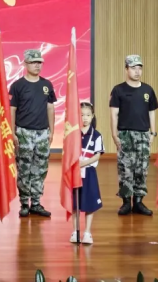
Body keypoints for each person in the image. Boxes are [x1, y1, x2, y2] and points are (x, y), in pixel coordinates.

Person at [109, 54, 158, 216]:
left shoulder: (147, 90)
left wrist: (153, 133)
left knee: (142, 169)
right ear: (126, 69)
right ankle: (125, 202)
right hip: (125, 135)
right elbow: (114, 114)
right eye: (133, 68)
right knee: (125, 170)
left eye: (139, 68)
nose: (137, 71)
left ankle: (138, 202)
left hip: (143, 136)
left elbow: (152, 113)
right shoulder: (118, 90)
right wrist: (114, 135)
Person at [10, 49, 56, 218]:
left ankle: (36, 202)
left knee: (40, 168)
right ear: (25, 64)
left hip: (43, 132)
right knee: (24, 168)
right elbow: (12, 110)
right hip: (23, 132)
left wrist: (52, 130)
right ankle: (24, 203)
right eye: (34, 62)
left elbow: (50, 108)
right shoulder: (17, 85)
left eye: (39, 63)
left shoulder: (47, 85)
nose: (37, 65)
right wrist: (13, 132)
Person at [71, 102, 104, 244]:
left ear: (92, 116)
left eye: (88, 115)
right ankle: (75, 231)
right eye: (81, 115)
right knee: (75, 204)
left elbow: (97, 155)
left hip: (89, 173)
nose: (84, 118)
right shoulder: (73, 134)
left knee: (89, 203)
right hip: (75, 173)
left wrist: (84, 163)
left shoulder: (96, 135)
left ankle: (87, 233)